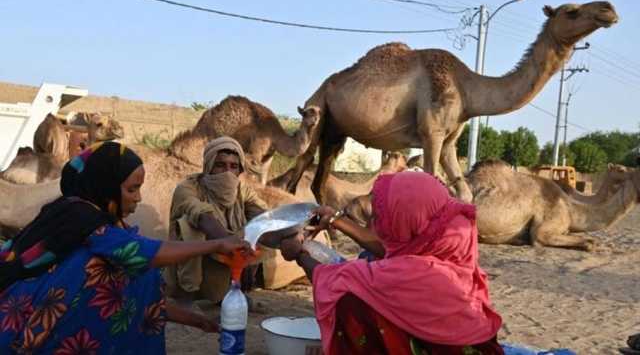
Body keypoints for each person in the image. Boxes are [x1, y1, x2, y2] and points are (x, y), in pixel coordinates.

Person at [0, 141, 252, 353]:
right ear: (105, 184)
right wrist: (217, 244)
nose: (139, 198)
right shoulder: (81, 220)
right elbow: (142, 253)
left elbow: (132, 292)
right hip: (37, 332)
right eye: (132, 189)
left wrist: (195, 320)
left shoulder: (100, 220)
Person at [280, 172, 504, 355]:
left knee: (350, 301)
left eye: (385, 219)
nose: (379, 225)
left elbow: (339, 279)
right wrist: (335, 219)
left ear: (409, 219)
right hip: (475, 345)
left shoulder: (417, 273)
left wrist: (300, 255)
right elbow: (392, 249)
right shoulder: (450, 233)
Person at [164, 136, 268, 307]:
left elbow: (265, 215)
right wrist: (238, 251)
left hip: (225, 263)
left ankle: (235, 292)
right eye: (220, 165)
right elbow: (202, 215)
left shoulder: (243, 191)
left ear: (240, 170)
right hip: (196, 269)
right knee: (190, 226)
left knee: (261, 226)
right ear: (208, 166)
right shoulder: (188, 188)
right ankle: (186, 299)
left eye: (233, 166)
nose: (227, 172)